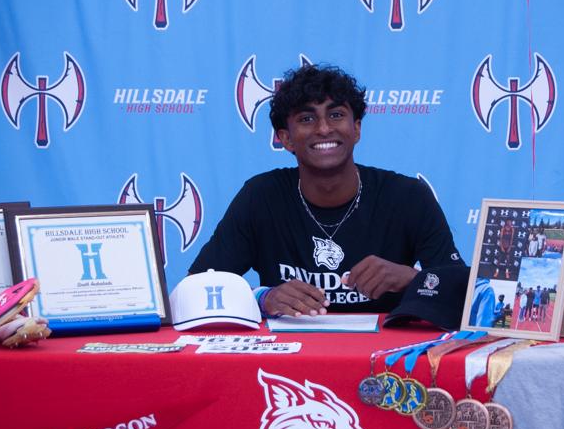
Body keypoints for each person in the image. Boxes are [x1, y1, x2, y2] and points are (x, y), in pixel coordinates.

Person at [189, 64, 466, 317]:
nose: (323, 129)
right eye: (306, 119)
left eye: (336, 115)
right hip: (292, 348)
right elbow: (197, 287)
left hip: (386, 351)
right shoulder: (261, 196)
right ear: (286, 138)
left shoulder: (408, 196)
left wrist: (412, 278)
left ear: (356, 129)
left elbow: (464, 293)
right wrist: (263, 298)